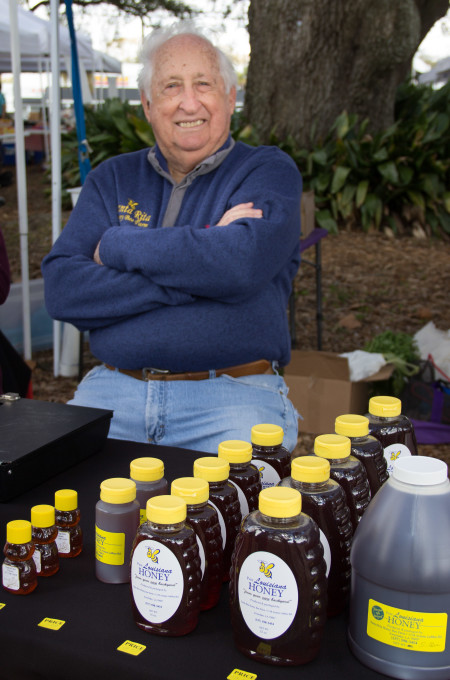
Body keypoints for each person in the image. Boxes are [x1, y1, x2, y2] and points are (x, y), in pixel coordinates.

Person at [41, 24, 302, 453]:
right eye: (171, 87)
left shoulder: (267, 172)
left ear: (230, 98)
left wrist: (116, 245)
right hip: (113, 392)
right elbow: (64, 291)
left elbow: (241, 264)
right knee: (59, 512)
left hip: (233, 397)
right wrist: (205, 254)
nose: (189, 102)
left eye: (204, 84)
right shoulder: (112, 178)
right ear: (147, 104)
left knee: (241, 517)